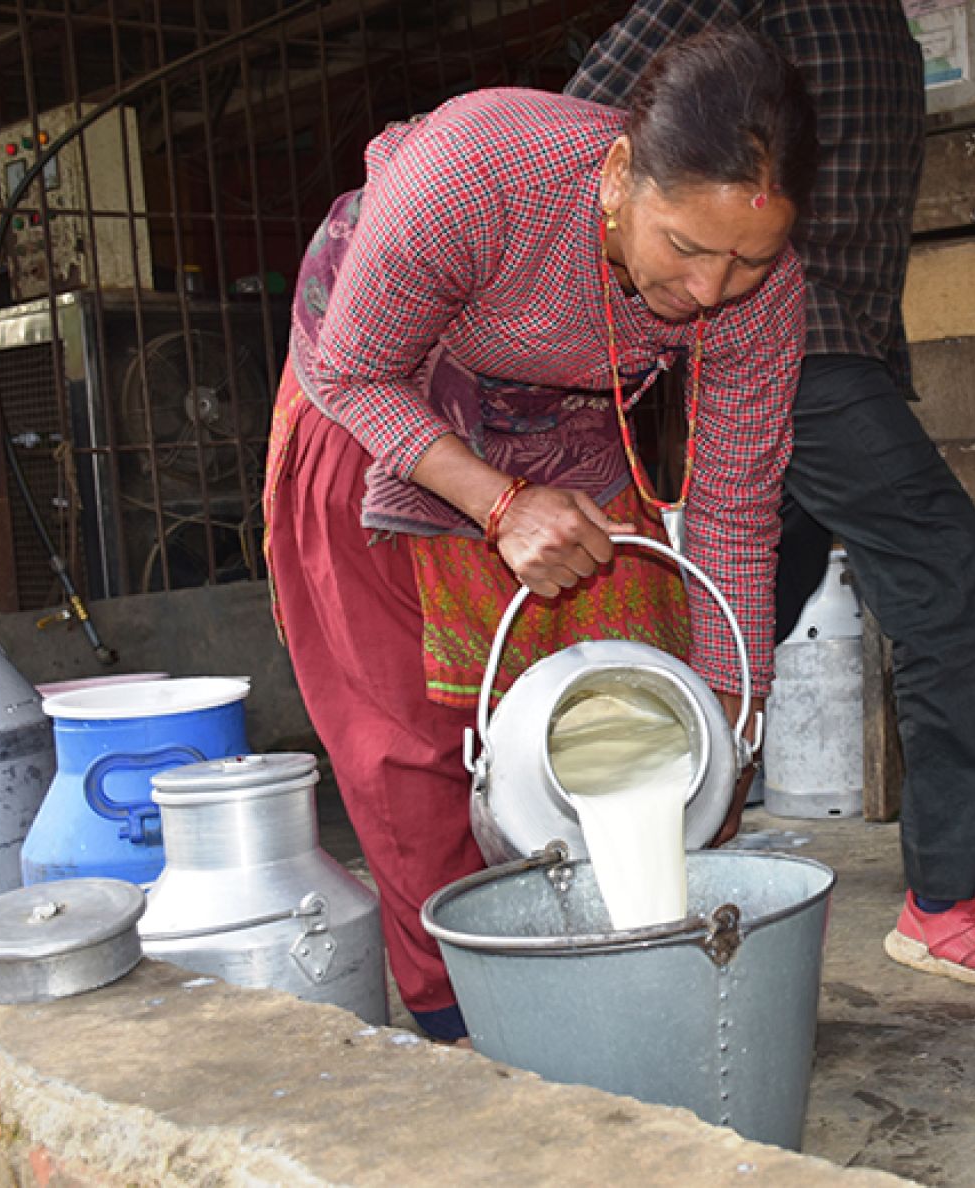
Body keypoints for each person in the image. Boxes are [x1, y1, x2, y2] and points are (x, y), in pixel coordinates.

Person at [264, 29, 817, 1042]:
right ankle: (462, 1026)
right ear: (617, 176)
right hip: (381, 398)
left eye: (748, 259)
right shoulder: (479, 169)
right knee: (415, 740)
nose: (707, 293)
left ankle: (612, 981)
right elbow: (351, 374)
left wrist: (732, 733)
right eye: (685, 247)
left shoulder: (759, 300)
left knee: (640, 692)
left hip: (558, 417)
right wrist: (501, 503)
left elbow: (736, 515)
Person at [569, 1, 975, 988]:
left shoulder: (877, 15)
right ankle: (951, 897)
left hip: (843, 342)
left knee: (745, 605)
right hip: (792, 350)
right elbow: (595, 115)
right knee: (945, 571)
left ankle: (655, 826)